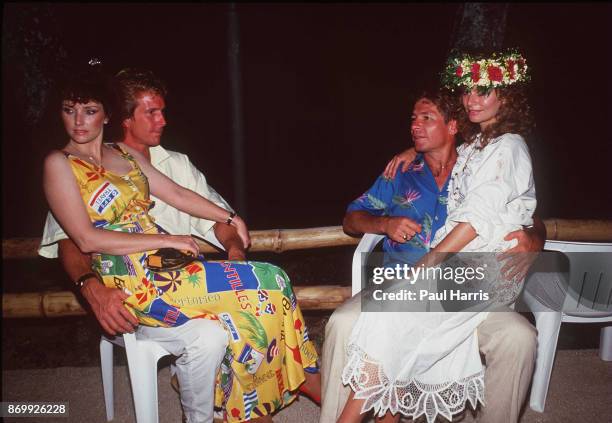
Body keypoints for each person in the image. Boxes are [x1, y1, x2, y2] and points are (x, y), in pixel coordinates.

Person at [40, 63, 319, 423]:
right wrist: (167, 237)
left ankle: (246, 409)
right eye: (69, 110)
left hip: (165, 271)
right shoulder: (60, 164)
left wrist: (229, 217)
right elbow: (83, 237)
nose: (78, 121)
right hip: (130, 283)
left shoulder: (124, 156)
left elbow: (175, 193)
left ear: (107, 114)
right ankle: (296, 378)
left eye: (89, 110)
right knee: (272, 281)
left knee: (253, 308)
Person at [322, 51, 543, 423]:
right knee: (371, 319)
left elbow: (497, 212)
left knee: (402, 316)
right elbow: (352, 216)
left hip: (468, 273)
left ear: (452, 125)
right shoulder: (417, 166)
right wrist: (384, 223)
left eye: (427, 119)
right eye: (413, 120)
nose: (415, 126)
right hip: (430, 275)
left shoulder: (502, 150)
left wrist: (535, 237)